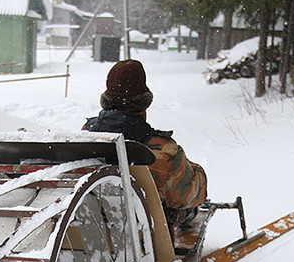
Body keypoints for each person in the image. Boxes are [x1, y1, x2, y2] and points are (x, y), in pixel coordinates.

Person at [83, 59, 208, 230]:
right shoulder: (162, 150)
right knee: (178, 206)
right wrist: (197, 171)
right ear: (144, 102)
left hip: (92, 229)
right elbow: (189, 195)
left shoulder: (84, 137)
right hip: (143, 238)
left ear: (106, 99)